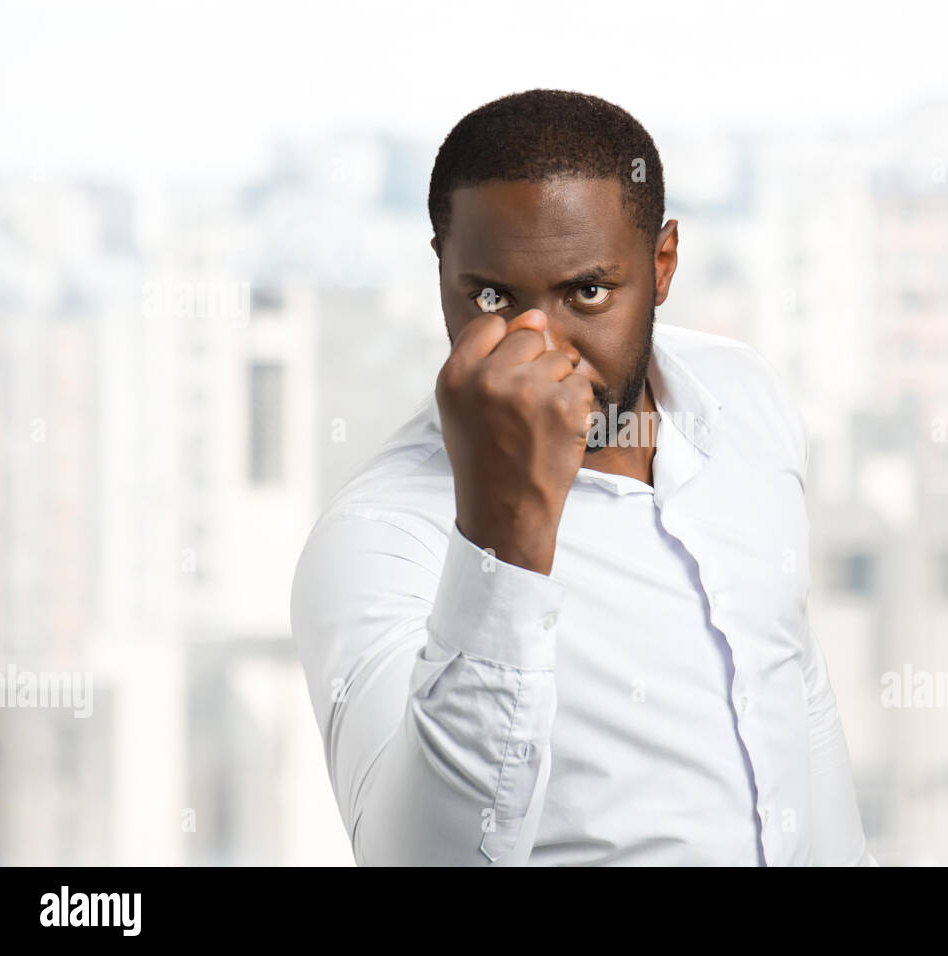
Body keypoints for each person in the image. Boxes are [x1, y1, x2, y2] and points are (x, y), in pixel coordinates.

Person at [290, 88, 877, 866]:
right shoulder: (377, 541)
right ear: (443, 271)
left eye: (588, 292)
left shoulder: (743, 398)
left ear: (662, 265)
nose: (541, 348)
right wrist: (502, 540)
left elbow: (798, 698)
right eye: (493, 298)